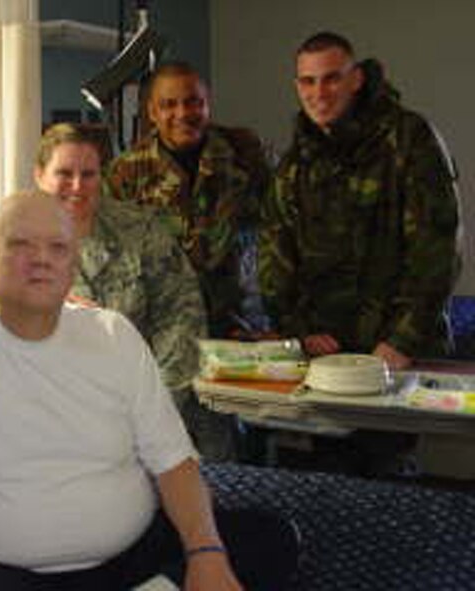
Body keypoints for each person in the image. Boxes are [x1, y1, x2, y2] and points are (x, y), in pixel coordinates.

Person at [0, 192, 299, 591]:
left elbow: (174, 462)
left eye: (58, 247)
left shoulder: (113, 334)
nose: (42, 258)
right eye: (21, 244)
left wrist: (204, 552)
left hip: (130, 562)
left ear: (74, 261)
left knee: (268, 538)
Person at [258, 31, 461, 369]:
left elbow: (437, 252)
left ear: (356, 79)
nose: (319, 93)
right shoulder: (295, 165)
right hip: (328, 359)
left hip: (406, 355)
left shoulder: (409, 139)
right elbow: (274, 264)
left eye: (331, 79)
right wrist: (299, 331)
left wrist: (401, 342)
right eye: (308, 82)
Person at [33, 123, 206, 426]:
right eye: (64, 174)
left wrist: (152, 414)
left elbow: (182, 321)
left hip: (153, 408)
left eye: (88, 174)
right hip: (57, 416)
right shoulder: (18, 243)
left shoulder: (142, 231)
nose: (77, 186)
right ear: (39, 175)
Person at [106, 61, 272, 339]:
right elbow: (114, 261)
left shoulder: (245, 155)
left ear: (208, 105)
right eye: (169, 105)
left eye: (193, 102)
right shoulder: (125, 174)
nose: (183, 113)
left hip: (242, 325)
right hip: (164, 330)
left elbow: (277, 234)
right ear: (152, 112)